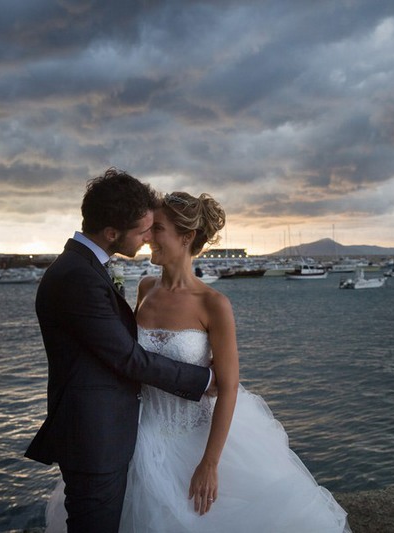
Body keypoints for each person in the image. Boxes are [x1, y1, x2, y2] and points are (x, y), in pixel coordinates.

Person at [46, 191, 350, 532]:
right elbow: (131, 359)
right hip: (140, 434)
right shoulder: (146, 288)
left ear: (186, 237)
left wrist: (209, 462)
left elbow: (229, 386)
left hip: (195, 436)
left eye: (156, 229)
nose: (147, 238)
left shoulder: (213, 304)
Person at [25, 169, 213, 533]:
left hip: (110, 433)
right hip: (95, 439)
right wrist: (202, 378)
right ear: (112, 233)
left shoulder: (85, 267)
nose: (148, 238)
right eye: (143, 230)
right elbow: (128, 357)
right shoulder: (78, 276)